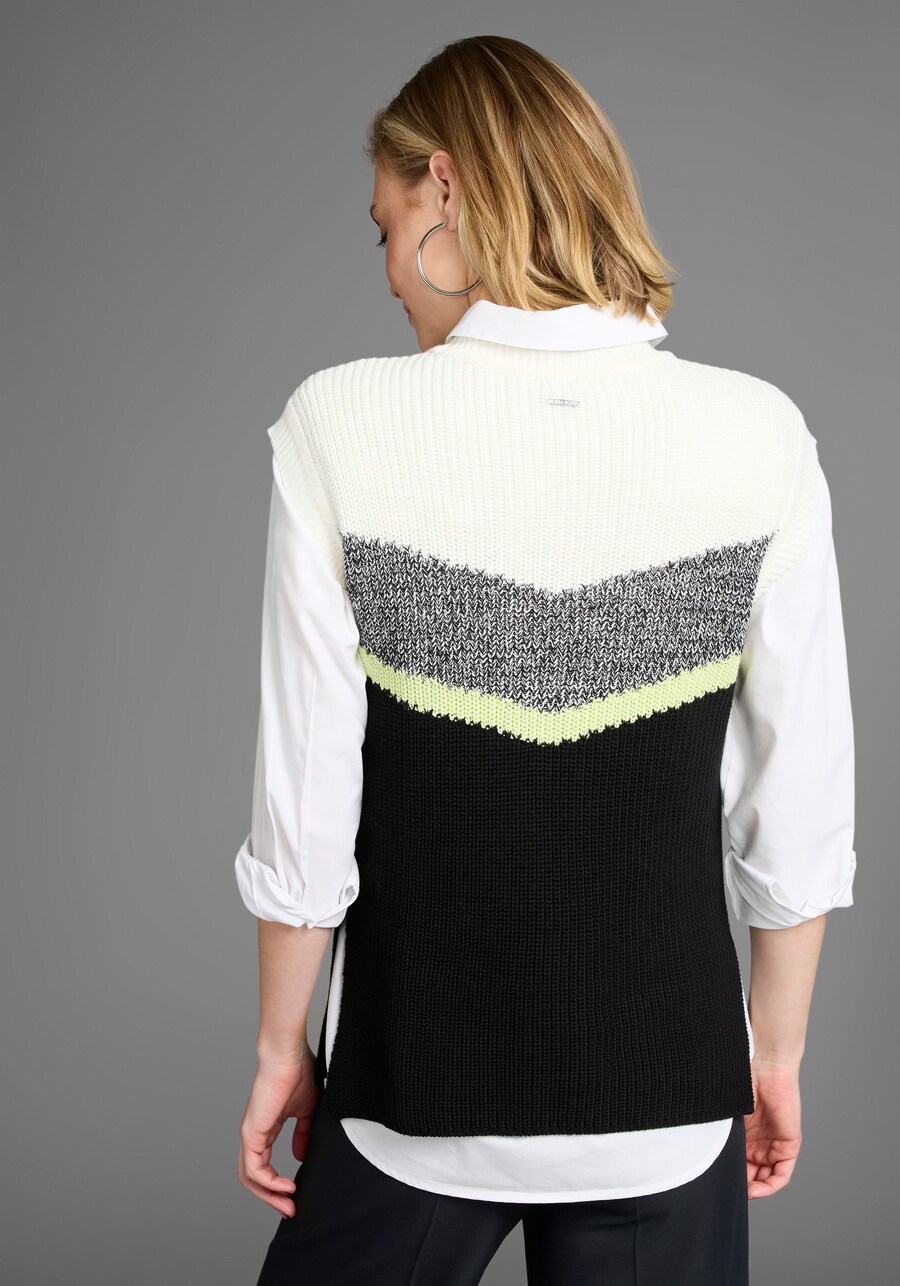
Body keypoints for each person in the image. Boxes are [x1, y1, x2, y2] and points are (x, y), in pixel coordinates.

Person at [233, 34, 856, 1286]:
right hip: (668, 1103)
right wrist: (774, 1052)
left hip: (411, 1097)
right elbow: (796, 806)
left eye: (384, 227)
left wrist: (279, 1048)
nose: (388, 274)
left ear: (445, 186)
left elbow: (309, 799)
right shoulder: (759, 434)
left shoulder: (340, 425)